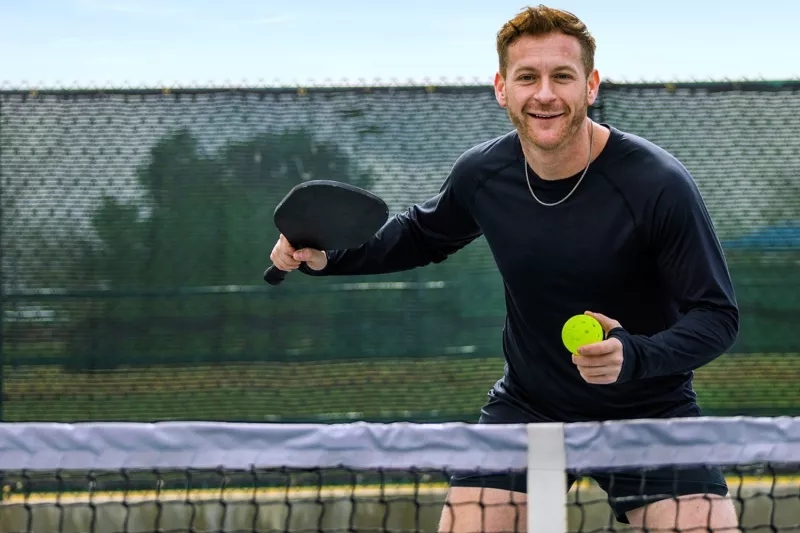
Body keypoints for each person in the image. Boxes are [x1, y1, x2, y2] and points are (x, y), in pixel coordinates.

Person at [269, 4, 740, 532]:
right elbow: (419, 235)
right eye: (527, 77)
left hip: (649, 414)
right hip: (532, 411)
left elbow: (716, 316)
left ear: (590, 86)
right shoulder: (484, 174)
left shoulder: (657, 184)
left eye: (562, 76)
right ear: (502, 88)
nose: (544, 93)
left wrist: (634, 355)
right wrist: (326, 256)